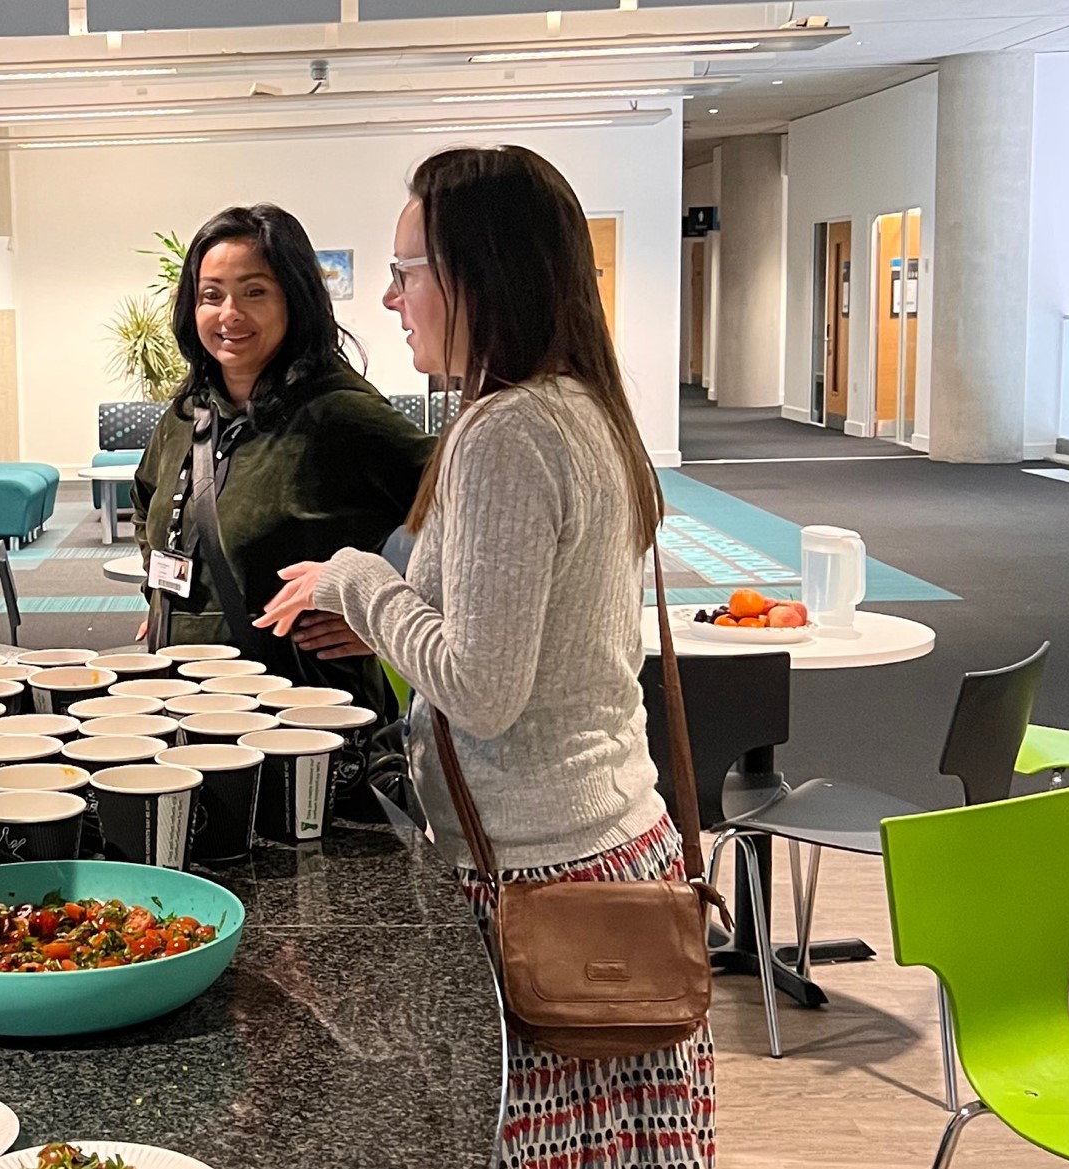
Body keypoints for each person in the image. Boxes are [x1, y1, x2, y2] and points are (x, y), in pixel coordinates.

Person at [256, 146, 715, 1167]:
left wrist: (354, 579)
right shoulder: (578, 407)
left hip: (543, 874)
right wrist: (387, 611)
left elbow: (481, 690)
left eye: (406, 269)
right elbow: (528, 633)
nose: (388, 296)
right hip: (612, 845)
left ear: (479, 272)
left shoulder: (503, 431)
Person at [129, 204, 432, 718]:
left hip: (303, 717)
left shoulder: (339, 414)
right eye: (211, 295)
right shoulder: (189, 414)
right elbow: (145, 507)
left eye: (254, 292)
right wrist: (170, 603)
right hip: (184, 702)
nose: (229, 313)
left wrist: (387, 615)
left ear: (294, 300)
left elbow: (467, 518)